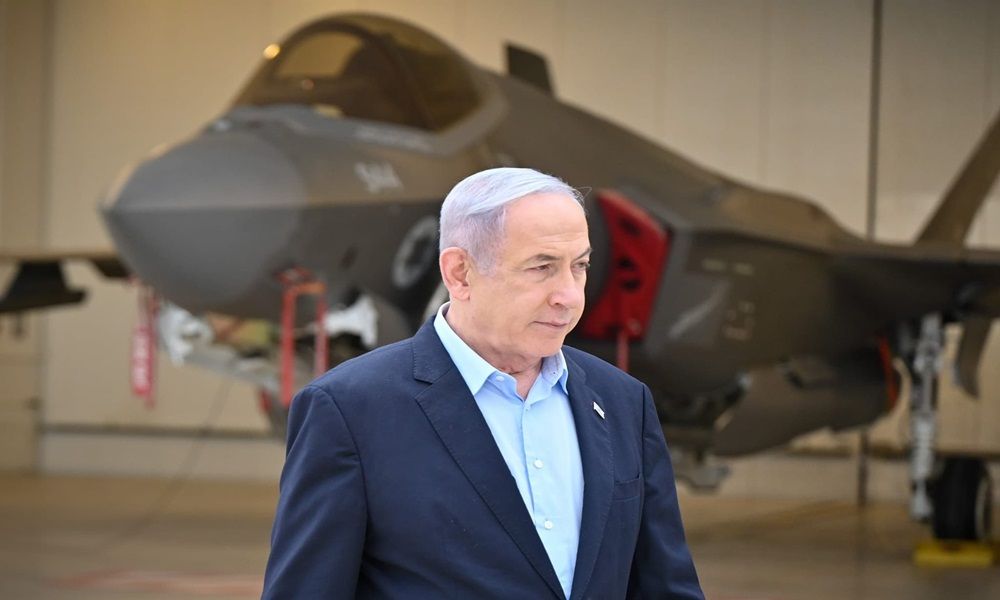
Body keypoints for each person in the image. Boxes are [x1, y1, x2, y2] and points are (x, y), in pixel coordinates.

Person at [261, 168, 703, 599]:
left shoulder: (623, 400)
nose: (569, 295)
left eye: (580, 266)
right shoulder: (349, 410)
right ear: (460, 273)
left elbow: (665, 585)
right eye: (542, 267)